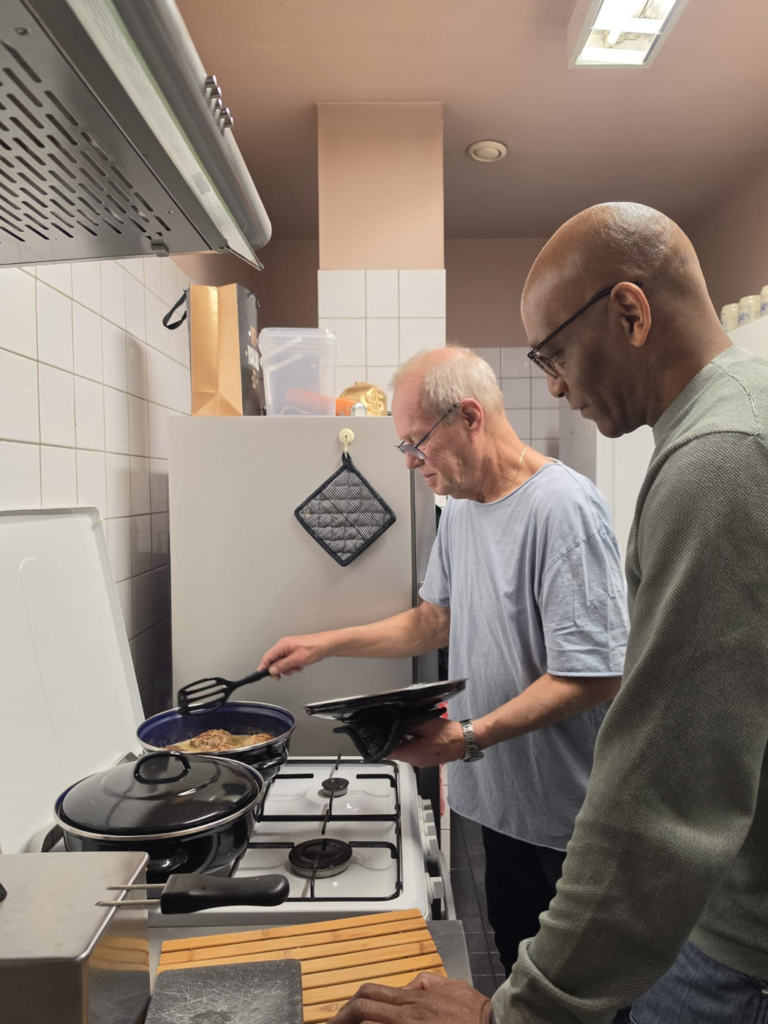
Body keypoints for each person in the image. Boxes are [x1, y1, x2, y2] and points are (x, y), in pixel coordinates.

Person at [325, 202, 768, 1024]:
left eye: (554, 353)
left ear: (630, 312)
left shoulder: (719, 462)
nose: (555, 385)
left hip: (730, 944)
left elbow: (669, 782)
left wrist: (515, 1013)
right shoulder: (728, 426)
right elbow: (436, 618)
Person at [261, 346, 628, 977]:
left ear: (469, 416)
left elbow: (594, 675)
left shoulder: (562, 509)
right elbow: (433, 620)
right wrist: (326, 642)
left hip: (567, 818)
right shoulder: (460, 508)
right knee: (517, 964)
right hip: (500, 800)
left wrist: (466, 736)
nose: (409, 463)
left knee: (582, 994)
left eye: (415, 442)